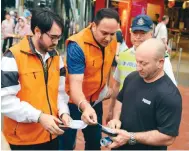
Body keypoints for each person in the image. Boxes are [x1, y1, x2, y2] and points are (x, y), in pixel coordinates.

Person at [1, 8, 71, 150]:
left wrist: (64, 112)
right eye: (53, 37)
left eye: (59, 37)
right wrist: (39, 116)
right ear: (37, 31)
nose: (56, 42)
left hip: (51, 136)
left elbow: (60, 92)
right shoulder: (13, 56)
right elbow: (4, 101)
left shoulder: (56, 58)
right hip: (23, 141)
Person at [59, 8, 119, 150]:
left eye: (112, 33)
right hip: (72, 102)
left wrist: (105, 89)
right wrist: (85, 107)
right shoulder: (77, 45)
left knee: (94, 142)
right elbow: (75, 87)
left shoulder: (112, 40)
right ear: (93, 25)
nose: (108, 38)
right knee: (66, 144)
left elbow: (108, 65)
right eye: (104, 33)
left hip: (95, 100)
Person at [107, 38, 182, 150]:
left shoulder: (169, 95)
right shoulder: (132, 77)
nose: (138, 67)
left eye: (144, 63)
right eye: (137, 61)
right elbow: (121, 99)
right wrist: (116, 118)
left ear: (160, 63)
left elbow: (168, 137)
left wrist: (131, 137)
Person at [106, 14, 177, 123]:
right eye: (135, 32)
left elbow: (171, 89)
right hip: (122, 110)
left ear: (151, 33)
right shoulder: (124, 55)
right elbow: (116, 85)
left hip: (146, 112)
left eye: (143, 33)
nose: (138, 37)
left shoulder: (161, 58)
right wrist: (111, 108)